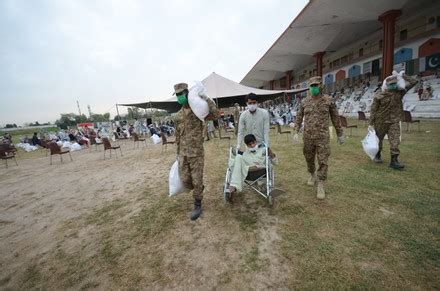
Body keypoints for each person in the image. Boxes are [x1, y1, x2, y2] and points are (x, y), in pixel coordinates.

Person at [293, 76, 345, 200]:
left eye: (316, 85)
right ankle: (312, 174)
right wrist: (295, 131)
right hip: (308, 137)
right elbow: (299, 117)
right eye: (311, 86)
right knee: (309, 158)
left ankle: (321, 183)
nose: (313, 88)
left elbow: (335, 118)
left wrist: (340, 133)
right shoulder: (305, 102)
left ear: (321, 86)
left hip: (322, 137)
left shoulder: (328, 101)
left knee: (323, 161)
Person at [174, 82, 219, 221]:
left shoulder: (199, 110)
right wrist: (177, 152)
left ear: (188, 93)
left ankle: (197, 203)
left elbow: (216, 114)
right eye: (177, 95)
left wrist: (206, 98)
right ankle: (198, 188)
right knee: (185, 179)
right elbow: (177, 136)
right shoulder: (178, 116)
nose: (180, 97)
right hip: (183, 153)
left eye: (182, 94)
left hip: (197, 153)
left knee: (197, 179)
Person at [369, 73, 417, 169]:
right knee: (379, 140)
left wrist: (403, 76)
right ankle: (377, 154)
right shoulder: (379, 95)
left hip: (394, 121)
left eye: (394, 83)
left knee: (395, 140)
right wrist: (370, 123)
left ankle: (394, 161)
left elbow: (414, 82)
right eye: (391, 84)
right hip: (380, 121)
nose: (393, 85)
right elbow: (373, 109)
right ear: (386, 85)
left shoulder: (399, 92)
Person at [225, 134, 266, 201]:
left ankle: (233, 187)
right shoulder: (245, 154)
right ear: (247, 145)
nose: (252, 145)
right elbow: (239, 162)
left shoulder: (263, 150)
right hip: (247, 172)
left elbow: (273, 162)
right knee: (238, 157)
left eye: (253, 143)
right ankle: (233, 187)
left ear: (256, 141)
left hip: (259, 171)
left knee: (239, 163)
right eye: (249, 144)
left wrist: (270, 152)